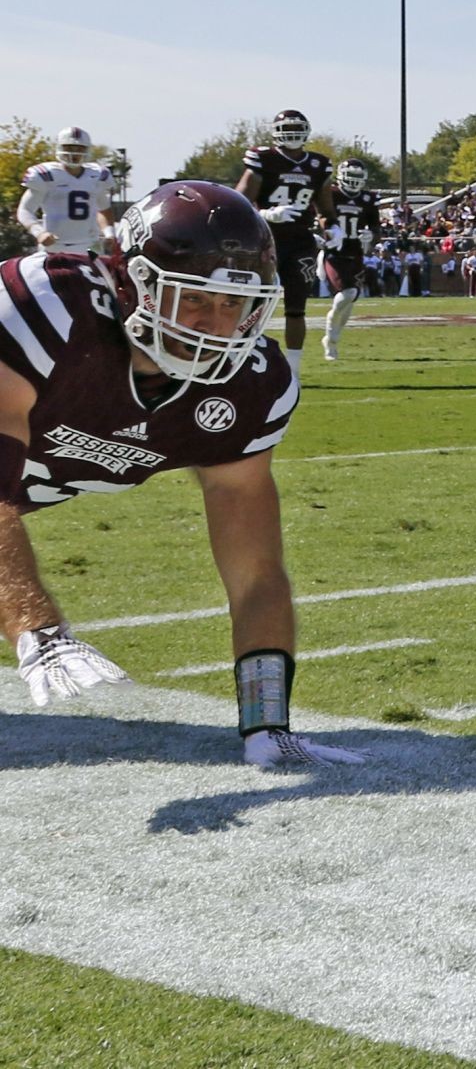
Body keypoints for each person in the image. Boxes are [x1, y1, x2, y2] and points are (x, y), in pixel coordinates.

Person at [0, 183, 362, 767]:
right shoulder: (47, 308)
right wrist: (37, 630)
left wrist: (266, 724)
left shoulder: (250, 386)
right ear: (133, 284)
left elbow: (255, 573)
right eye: (194, 298)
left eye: (232, 304)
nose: (216, 326)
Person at [234, 111, 334, 354]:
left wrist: (333, 228)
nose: (292, 132)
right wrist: (267, 214)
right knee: (251, 304)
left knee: (296, 308)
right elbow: (237, 204)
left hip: (300, 242)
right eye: (286, 127)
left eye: (296, 127)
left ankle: (294, 370)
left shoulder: (318, 165)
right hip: (265, 241)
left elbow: (326, 209)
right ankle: (241, 358)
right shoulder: (264, 159)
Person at [319, 160, 382, 362]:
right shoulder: (331, 194)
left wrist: (371, 237)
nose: (354, 182)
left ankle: (332, 340)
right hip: (334, 253)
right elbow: (318, 218)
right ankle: (330, 337)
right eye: (351, 177)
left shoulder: (368, 199)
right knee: (346, 295)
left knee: (350, 300)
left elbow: (376, 228)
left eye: (357, 178)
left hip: (355, 254)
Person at [17, 127, 113, 251]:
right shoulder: (46, 175)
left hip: (90, 246)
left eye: (79, 148)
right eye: (69, 148)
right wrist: (39, 232)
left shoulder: (97, 175)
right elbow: (25, 210)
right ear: (60, 148)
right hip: (55, 247)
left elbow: (104, 209)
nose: (74, 153)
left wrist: (110, 233)